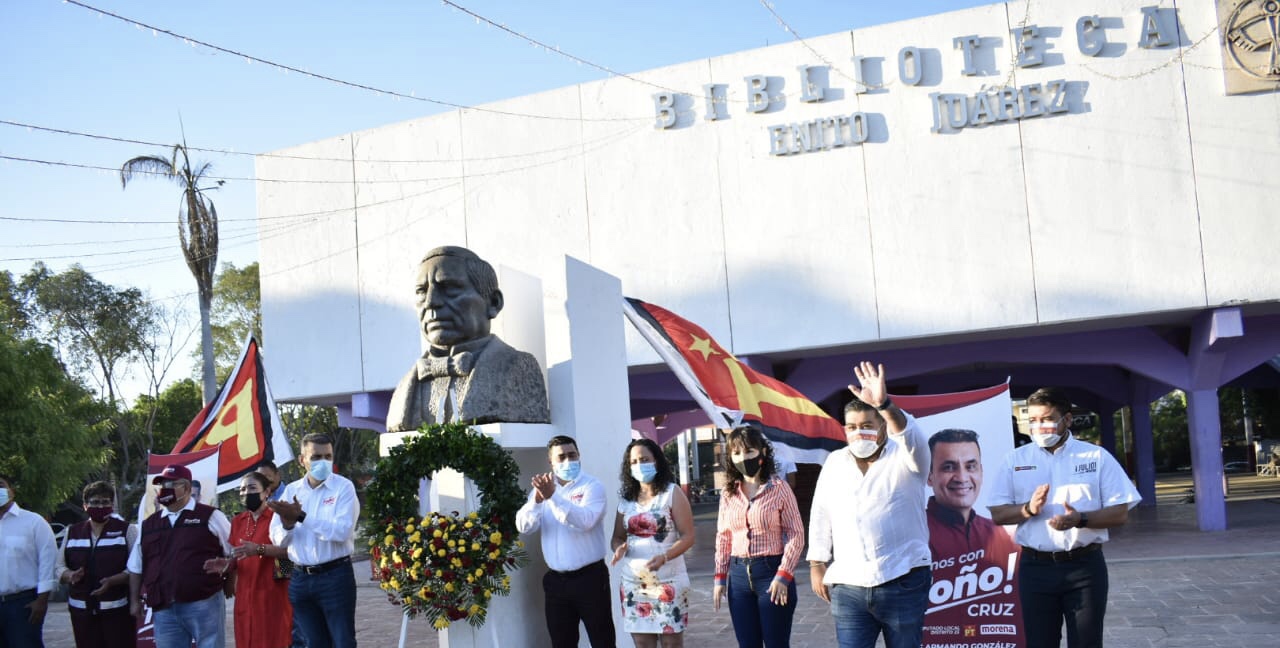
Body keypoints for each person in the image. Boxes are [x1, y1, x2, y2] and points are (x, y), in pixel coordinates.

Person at [989, 387, 1141, 648]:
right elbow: (998, 513)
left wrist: (1080, 519)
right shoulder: (1015, 460)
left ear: (1067, 420)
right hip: (1035, 569)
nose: (1039, 427)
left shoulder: (1096, 457)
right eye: (1033, 420)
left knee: (1086, 642)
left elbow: (1120, 513)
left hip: (1084, 568)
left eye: (1047, 419)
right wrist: (1028, 509)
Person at [807, 361, 931, 648]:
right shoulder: (836, 462)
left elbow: (910, 435)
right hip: (849, 587)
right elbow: (821, 512)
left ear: (882, 428)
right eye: (851, 427)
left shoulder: (907, 458)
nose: (858, 433)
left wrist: (885, 404)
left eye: (866, 426)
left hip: (903, 578)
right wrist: (817, 562)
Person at [385, 246, 550, 430]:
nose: (431, 302)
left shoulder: (519, 367)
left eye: (449, 288)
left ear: (494, 303)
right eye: (422, 291)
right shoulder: (405, 387)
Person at [516, 435, 616, 648]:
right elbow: (524, 526)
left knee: (602, 640)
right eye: (561, 457)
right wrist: (536, 501)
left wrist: (553, 497)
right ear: (550, 462)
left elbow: (585, 521)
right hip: (557, 582)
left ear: (579, 456)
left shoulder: (592, 486)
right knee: (562, 642)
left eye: (572, 455)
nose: (567, 461)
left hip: (590, 579)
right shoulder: (541, 490)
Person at [923, 429, 1022, 641]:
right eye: (948, 467)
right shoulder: (914, 532)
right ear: (929, 476)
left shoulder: (1004, 535)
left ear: (981, 472)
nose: (962, 477)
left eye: (971, 466)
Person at [712, 426, 805, 648]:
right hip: (739, 577)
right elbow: (724, 537)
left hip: (770, 571)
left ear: (762, 452)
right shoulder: (728, 493)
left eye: (749, 451)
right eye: (736, 453)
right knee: (747, 643)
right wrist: (720, 577)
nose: (743, 458)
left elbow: (796, 533)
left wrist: (784, 574)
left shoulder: (779, 488)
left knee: (776, 643)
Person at [127, 464, 234, 648]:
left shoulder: (210, 516)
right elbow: (136, 566)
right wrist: (135, 600)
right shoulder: (149, 524)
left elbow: (233, 552)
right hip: (164, 608)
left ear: (185, 488)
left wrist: (231, 582)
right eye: (162, 486)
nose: (164, 490)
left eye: (170, 485)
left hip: (204, 602)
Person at [268, 433, 360, 648]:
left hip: (335, 576)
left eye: (328, 456)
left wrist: (301, 517)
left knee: (343, 641)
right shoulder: (291, 491)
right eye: (316, 457)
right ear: (303, 460)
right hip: (300, 577)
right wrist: (289, 524)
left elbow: (342, 532)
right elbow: (278, 539)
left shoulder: (343, 488)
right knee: (312, 643)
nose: (323, 462)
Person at [610, 438, 696, 646]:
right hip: (634, 583)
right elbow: (617, 537)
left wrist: (665, 556)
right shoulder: (626, 500)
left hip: (669, 582)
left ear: (656, 461)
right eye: (634, 461)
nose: (639, 465)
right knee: (642, 643)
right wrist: (618, 549)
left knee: (671, 642)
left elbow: (688, 536)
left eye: (644, 459)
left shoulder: (671, 492)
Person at [206, 473, 292, 648]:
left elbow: (291, 552)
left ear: (267, 491)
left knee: (274, 640)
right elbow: (238, 556)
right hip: (245, 596)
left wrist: (259, 549)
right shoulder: (238, 521)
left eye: (252, 488)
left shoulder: (277, 517)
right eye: (243, 489)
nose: (246, 493)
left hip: (272, 594)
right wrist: (228, 565)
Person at [56, 481, 138, 648]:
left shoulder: (126, 530)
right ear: (85, 506)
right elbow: (58, 567)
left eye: (105, 502)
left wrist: (114, 580)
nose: (101, 506)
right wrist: (70, 575)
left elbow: (136, 567)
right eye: (95, 502)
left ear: (111, 505)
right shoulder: (72, 532)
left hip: (117, 611)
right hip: (81, 612)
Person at [0, 473, 58, 648]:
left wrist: (42, 601)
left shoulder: (33, 522)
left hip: (22, 605)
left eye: (1, 485)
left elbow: (48, 561)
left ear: (12, 491)